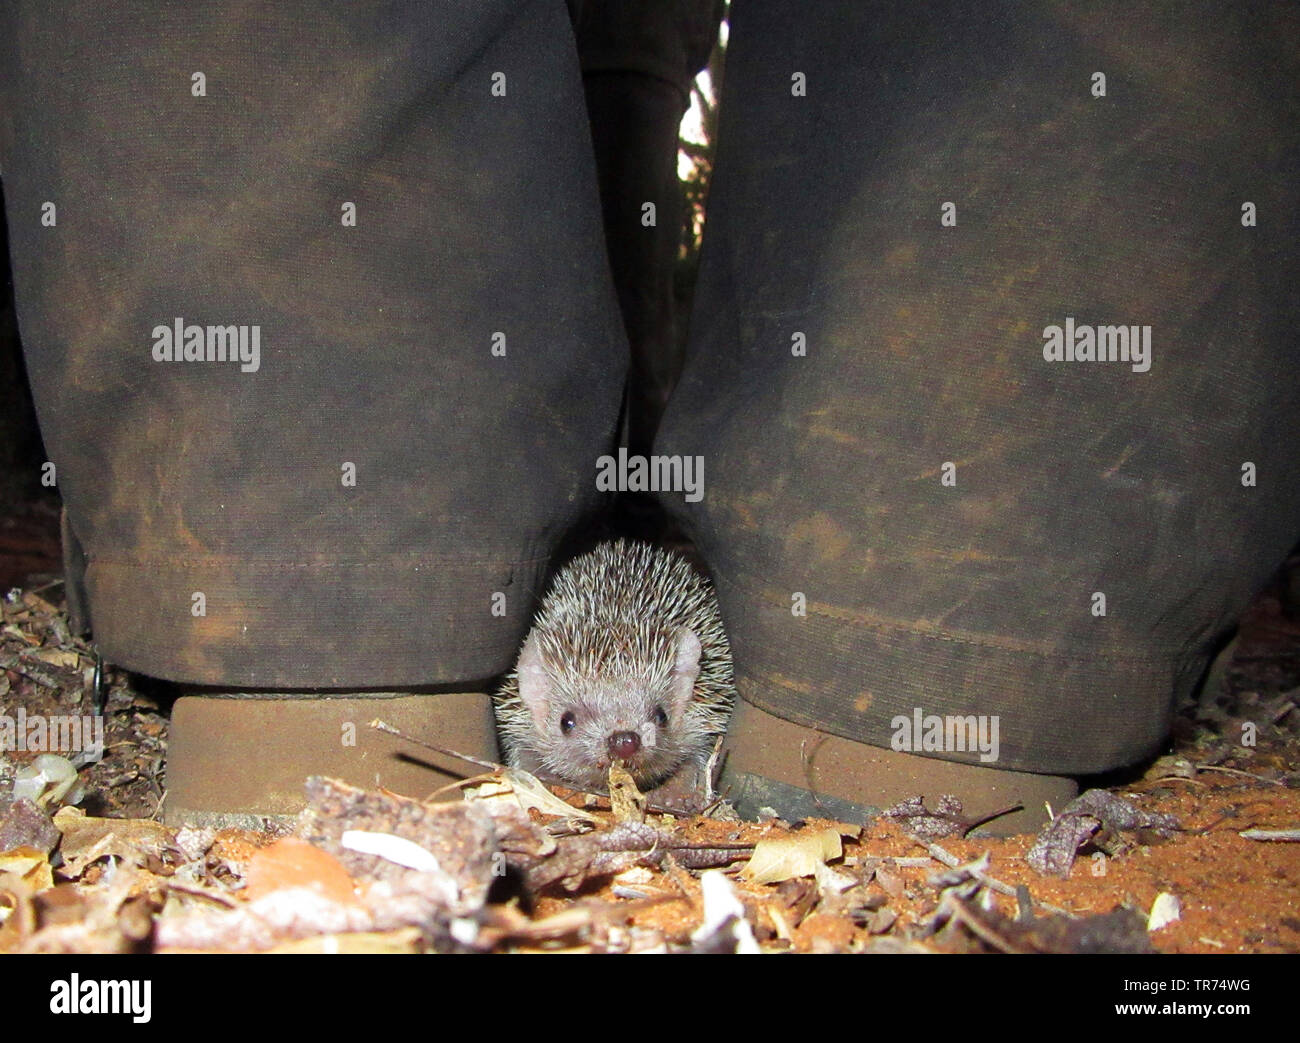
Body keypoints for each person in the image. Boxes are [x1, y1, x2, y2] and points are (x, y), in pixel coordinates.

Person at [2, 1, 1296, 833]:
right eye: (586, 725)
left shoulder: (648, 685)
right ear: (535, 696)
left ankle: (318, 598)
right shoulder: (615, 687)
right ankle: (953, 646)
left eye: (638, 722)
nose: (625, 748)